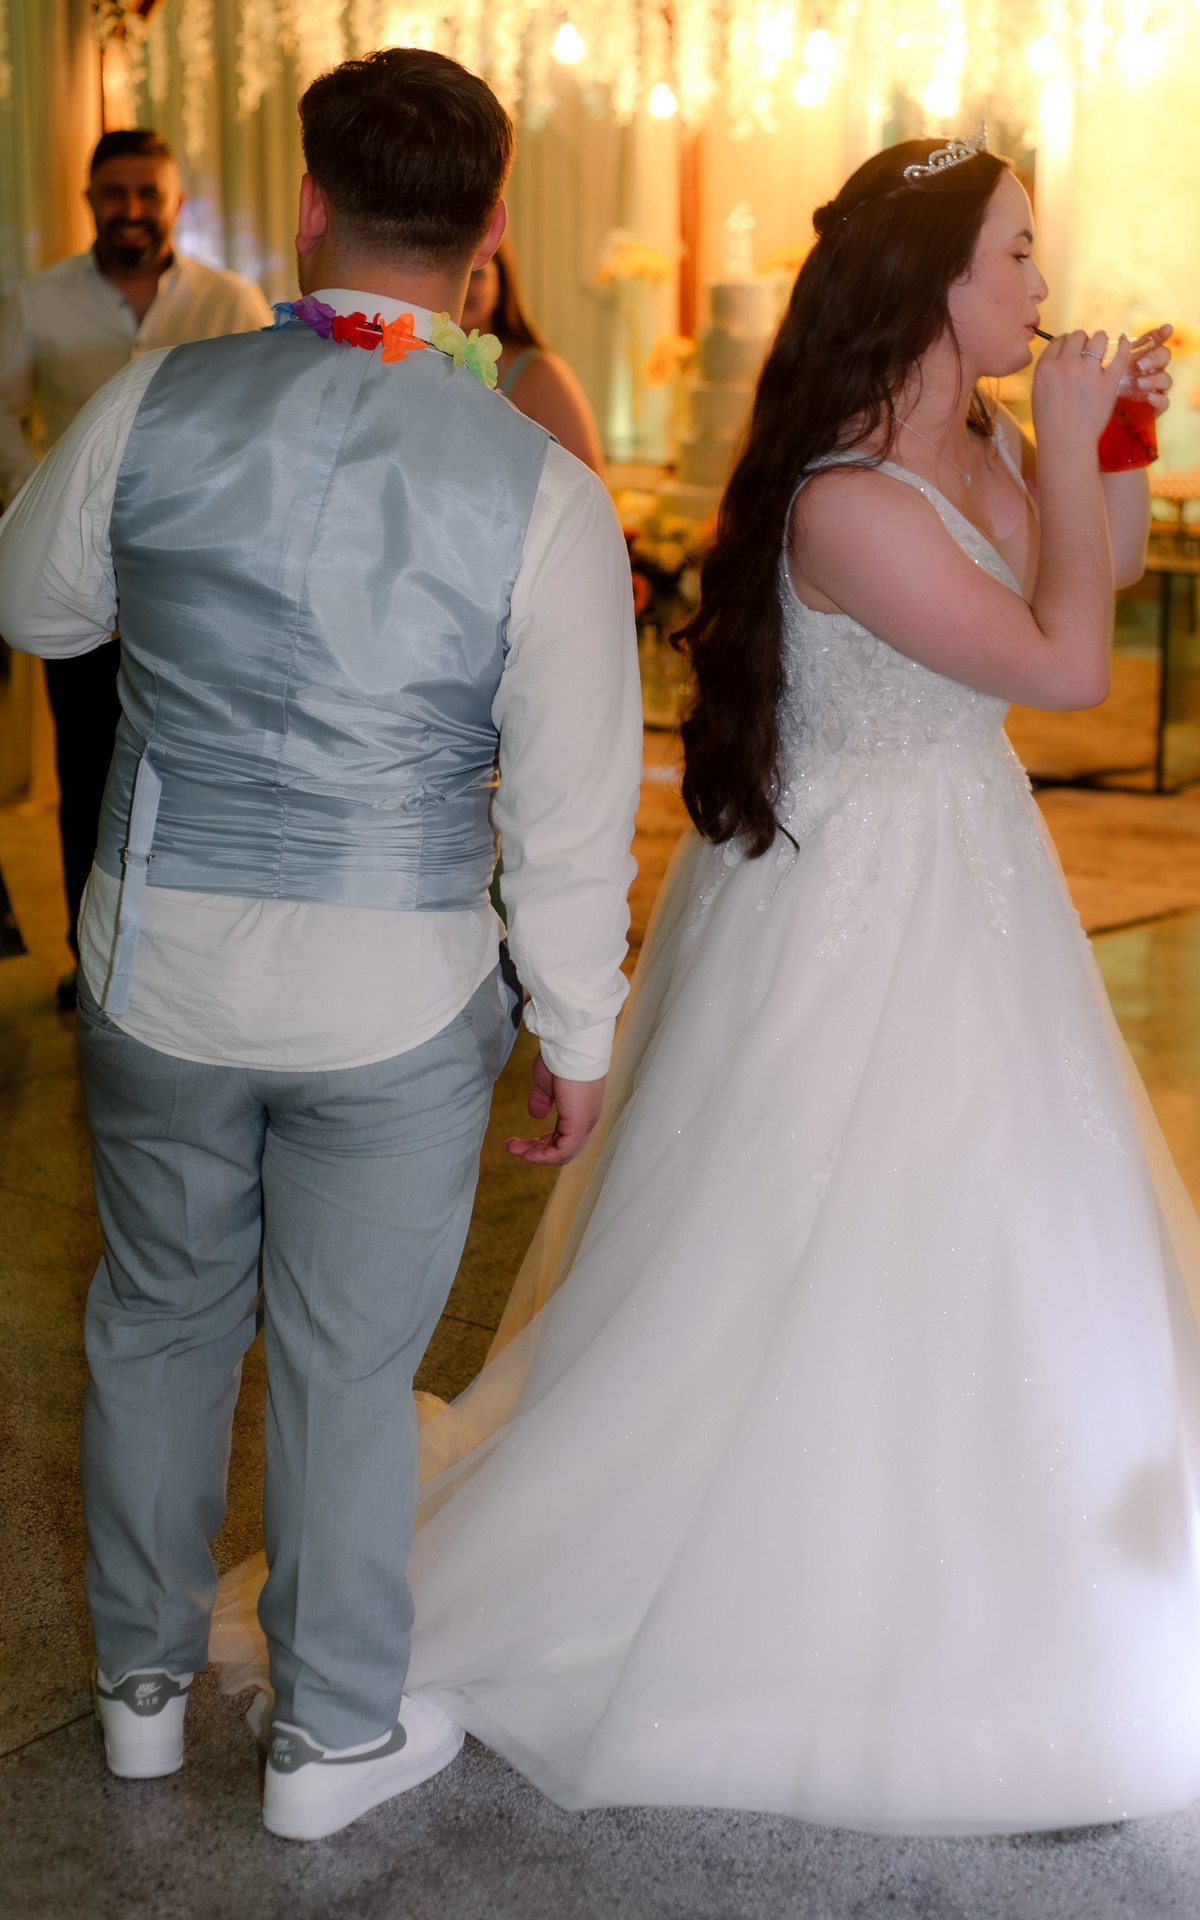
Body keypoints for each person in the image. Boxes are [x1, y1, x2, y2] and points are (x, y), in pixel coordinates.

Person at [281, 133, 1198, 1835]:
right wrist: (1077, 435)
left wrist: (1109, 439)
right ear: (933, 280)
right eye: (1014, 254)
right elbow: (1070, 660)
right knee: (819, 1236)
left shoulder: (982, 442)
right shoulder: (847, 501)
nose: (1041, 285)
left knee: (996, 1218)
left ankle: (1012, 1546)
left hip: (974, 885)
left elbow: (1109, 572)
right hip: (858, 910)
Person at [0, 50, 640, 1842]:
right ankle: (328, 1735)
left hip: (160, 962)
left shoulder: (160, 393)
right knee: (346, 1367)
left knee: (153, 1324)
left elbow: (32, 601)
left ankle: (140, 1694)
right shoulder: (540, 486)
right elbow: (573, 812)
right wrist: (577, 1034)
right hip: (397, 989)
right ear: (491, 231)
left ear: (304, 206)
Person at [0, 129, 272, 1005]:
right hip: (78, 578)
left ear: (176, 202)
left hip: (203, 584)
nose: (131, 209)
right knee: (88, 767)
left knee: (201, 765)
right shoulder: (37, 302)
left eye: (148, 192)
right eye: (114, 191)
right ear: (89, 199)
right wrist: (40, 489)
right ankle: (92, 959)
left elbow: (266, 421)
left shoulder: (231, 301)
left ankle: (183, 962)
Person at [460, 236, 605, 472]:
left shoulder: (542, 375)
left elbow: (589, 484)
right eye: (454, 272)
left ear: (501, 286)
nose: (463, 284)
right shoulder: (417, 362)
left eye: (477, 273)